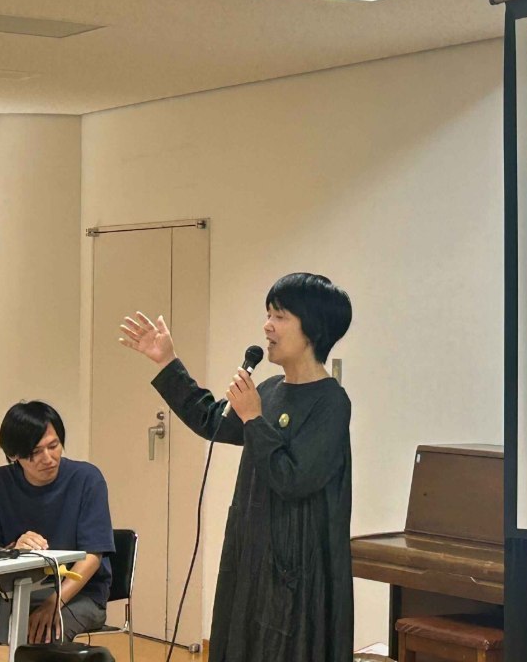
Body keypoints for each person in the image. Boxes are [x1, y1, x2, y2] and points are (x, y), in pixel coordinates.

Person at [119, 272, 353, 662]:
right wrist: (167, 362)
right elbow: (212, 421)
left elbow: (294, 479)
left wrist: (254, 419)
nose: (267, 326)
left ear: (312, 329)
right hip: (252, 549)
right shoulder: (270, 390)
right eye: (268, 314)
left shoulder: (331, 402)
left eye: (279, 317)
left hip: (298, 567)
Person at [0, 401, 114, 645]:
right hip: (13, 593)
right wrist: (14, 549)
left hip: (78, 594)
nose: (48, 458)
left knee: (41, 634)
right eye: (35, 452)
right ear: (14, 455)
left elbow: (92, 556)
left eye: (54, 446)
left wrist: (54, 603)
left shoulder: (86, 479)